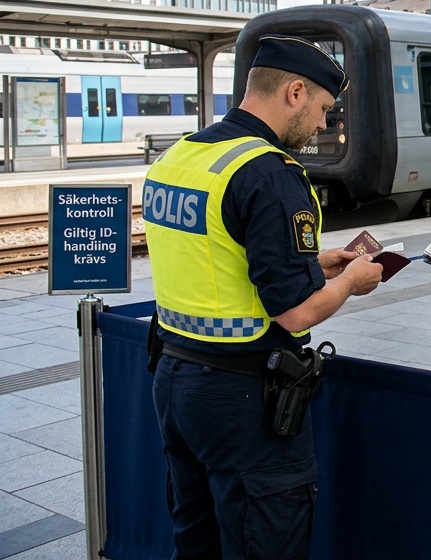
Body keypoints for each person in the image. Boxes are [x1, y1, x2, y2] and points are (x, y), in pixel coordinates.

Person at [147, 35, 383, 560]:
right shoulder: (269, 173)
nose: (323, 124)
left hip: (175, 380)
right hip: (243, 401)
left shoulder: (181, 156)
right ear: (295, 92)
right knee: (265, 542)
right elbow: (297, 312)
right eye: (323, 108)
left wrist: (313, 263)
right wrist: (351, 282)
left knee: (196, 539)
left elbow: (217, 253)